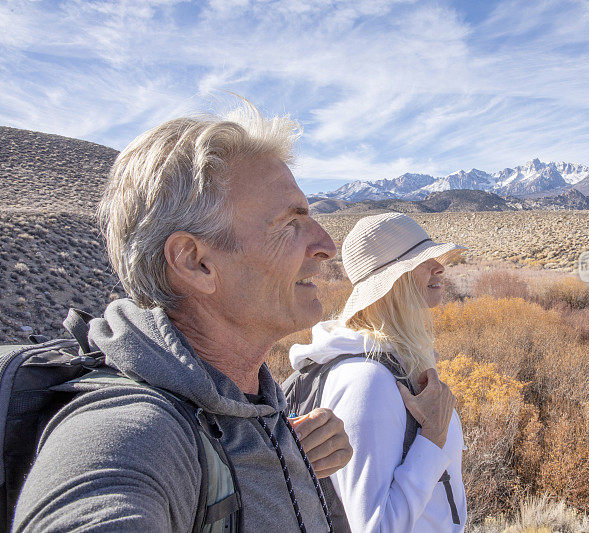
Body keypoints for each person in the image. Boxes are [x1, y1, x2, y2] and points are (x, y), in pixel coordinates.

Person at [12, 104, 352, 532]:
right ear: (195, 263)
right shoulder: (135, 434)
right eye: (290, 222)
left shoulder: (252, 404)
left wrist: (284, 462)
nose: (326, 244)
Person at [289, 212, 468, 532]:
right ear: (392, 281)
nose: (440, 267)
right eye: (424, 261)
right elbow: (375, 527)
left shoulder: (394, 363)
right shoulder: (366, 382)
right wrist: (433, 439)